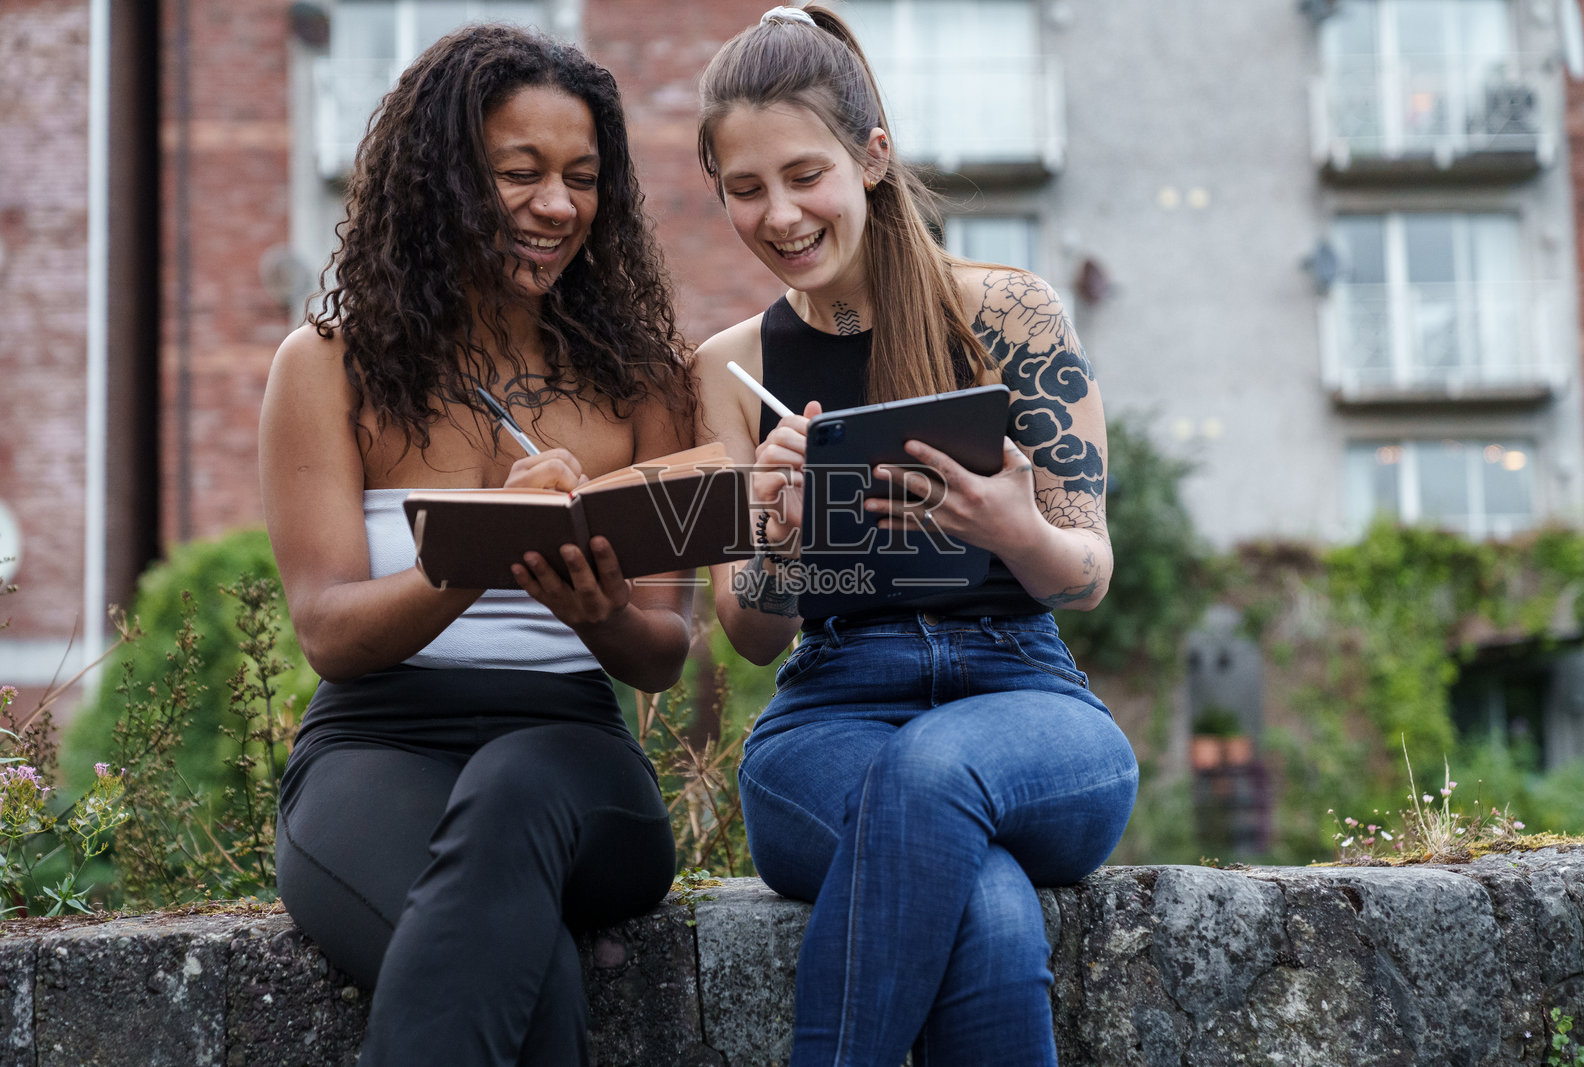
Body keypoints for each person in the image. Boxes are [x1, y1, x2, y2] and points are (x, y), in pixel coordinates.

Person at [693, 6, 1141, 1065]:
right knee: (983, 905)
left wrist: (1013, 526)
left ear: (872, 158)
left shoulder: (1010, 314)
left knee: (935, 767)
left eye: (804, 174)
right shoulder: (725, 367)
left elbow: (1085, 575)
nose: (780, 214)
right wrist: (786, 543)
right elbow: (747, 634)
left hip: (1028, 701)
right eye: (744, 188)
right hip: (829, 716)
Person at [259, 25, 697, 1066]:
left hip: (578, 761)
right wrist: (484, 548)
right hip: (374, 748)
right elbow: (328, 631)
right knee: (532, 983)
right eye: (520, 172)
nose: (557, 205)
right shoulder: (325, 369)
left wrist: (597, 611)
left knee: (514, 780)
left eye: (582, 177)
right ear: (442, 182)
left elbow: (667, 651)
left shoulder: (644, 377)